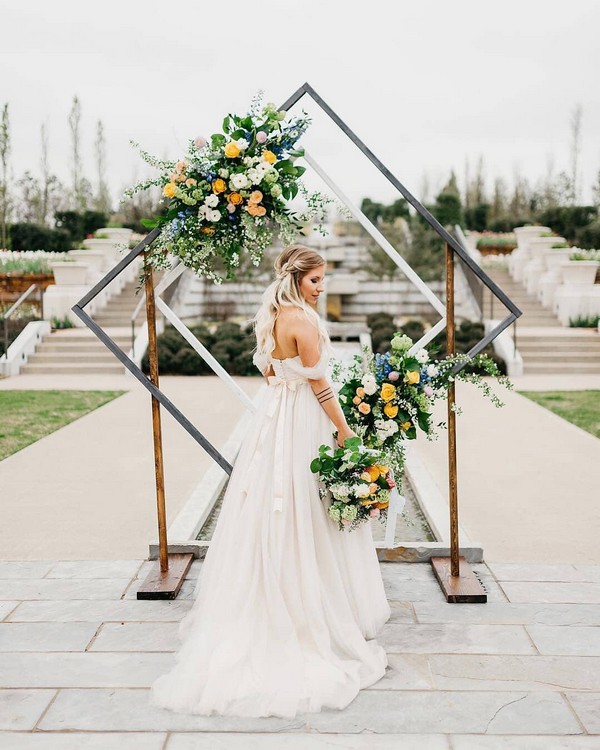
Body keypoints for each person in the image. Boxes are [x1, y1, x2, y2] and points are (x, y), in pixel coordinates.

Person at [149, 243, 391, 718]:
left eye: (324, 281)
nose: (323, 288)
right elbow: (320, 384)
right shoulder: (302, 320)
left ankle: (279, 590)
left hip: (275, 415)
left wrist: (287, 390)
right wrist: (344, 432)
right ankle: (310, 607)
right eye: (316, 281)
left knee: (273, 505)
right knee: (307, 505)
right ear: (297, 279)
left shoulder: (273, 315)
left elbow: (267, 371)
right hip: (303, 417)